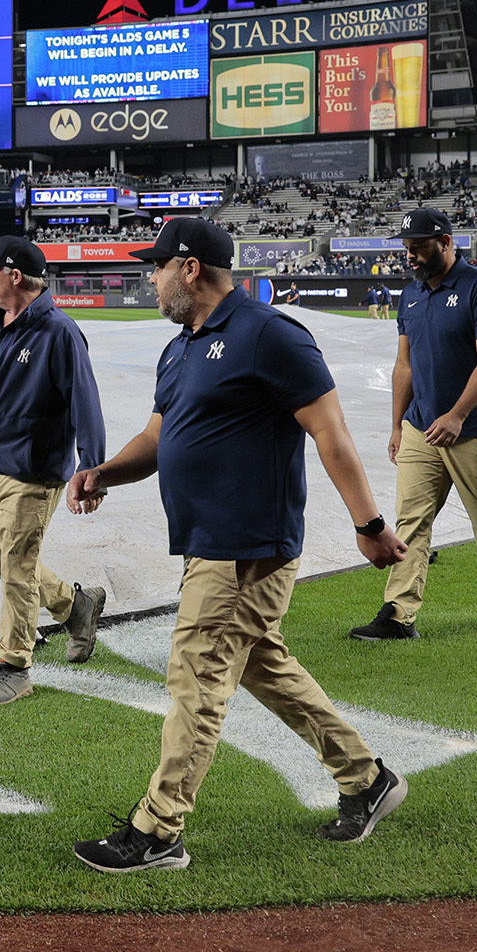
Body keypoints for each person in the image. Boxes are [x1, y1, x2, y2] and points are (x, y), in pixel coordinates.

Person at [63, 217, 411, 872]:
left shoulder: (268, 334)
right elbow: (158, 439)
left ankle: (158, 829)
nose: (151, 277)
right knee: (259, 663)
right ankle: (366, 778)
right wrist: (104, 471)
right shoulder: (180, 348)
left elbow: (330, 433)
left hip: (249, 543)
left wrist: (369, 526)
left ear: (190, 268)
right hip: (207, 541)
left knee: (197, 671)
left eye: (159, 266)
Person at [0, 235, 108, 706]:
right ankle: (76, 606)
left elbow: (86, 404)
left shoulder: (59, 332)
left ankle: (13, 666)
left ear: (14, 276)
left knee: (17, 567)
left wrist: (91, 470)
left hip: (35, 474)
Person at [350, 208, 477, 641]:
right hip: (420, 428)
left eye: (418, 247)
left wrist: (457, 415)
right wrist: (396, 425)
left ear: (445, 243)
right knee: (410, 520)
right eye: (406, 248)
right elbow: (404, 366)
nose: (409, 255)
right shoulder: (409, 295)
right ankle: (398, 614)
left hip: (475, 428)